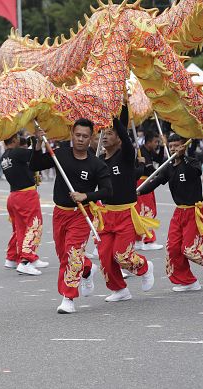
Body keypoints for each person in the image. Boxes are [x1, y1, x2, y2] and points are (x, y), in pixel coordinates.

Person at [32, 120, 112, 313]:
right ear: (72, 135)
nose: (81, 139)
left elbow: (107, 190)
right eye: (78, 135)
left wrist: (86, 196)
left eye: (85, 136)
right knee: (63, 255)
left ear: (91, 138)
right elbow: (34, 165)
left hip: (81, 215)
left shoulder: (96, 164)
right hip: (60, 212)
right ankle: (87, 268)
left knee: (72, 254)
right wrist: (38, 144)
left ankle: (68, 297)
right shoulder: (60, 154)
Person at [138, 134, 203, 291]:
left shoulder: (191, 162)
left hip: (194, 211)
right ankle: (188, 281)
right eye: (171, 146)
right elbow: (155, 182)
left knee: (190, 249)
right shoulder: (168, 167)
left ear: (183, 146)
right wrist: (137, 193)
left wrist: (183, 156)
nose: (173, 149)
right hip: (179, 212)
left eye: (176, 146)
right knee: (173, 248)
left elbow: (196, 172)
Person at [95, 106, 156, 302]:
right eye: (103, 133)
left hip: (125, 214)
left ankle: (145, 267)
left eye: (110, 133)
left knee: (121, 255)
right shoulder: (98, 161)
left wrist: (117, 112)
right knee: (105, 257)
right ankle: (119, 289)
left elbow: (125, 136)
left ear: (119, 138)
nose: (105, 136)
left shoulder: (126, 155)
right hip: (106, 215)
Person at [0, 132, 48, 276]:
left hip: (14, 195)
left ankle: (14, 257)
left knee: (21, 229)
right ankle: (26, 261)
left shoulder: (4, 157)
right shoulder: (18, 153)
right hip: (25, 195)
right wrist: (37, 141)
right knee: (34, 225)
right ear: (14, 139)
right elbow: (36, 156)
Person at [135, 130, 165, 250]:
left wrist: (163, 146)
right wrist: (161, 176)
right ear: (148, 142)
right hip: (142, 182)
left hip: (146, 181)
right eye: (155, 142)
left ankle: (138, 240)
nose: (156, 144)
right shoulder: (141, 151)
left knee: (141, 211)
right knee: (147, 210)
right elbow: (149, 169)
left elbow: (159, 159)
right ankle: (148, 240)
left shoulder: (149, 150)